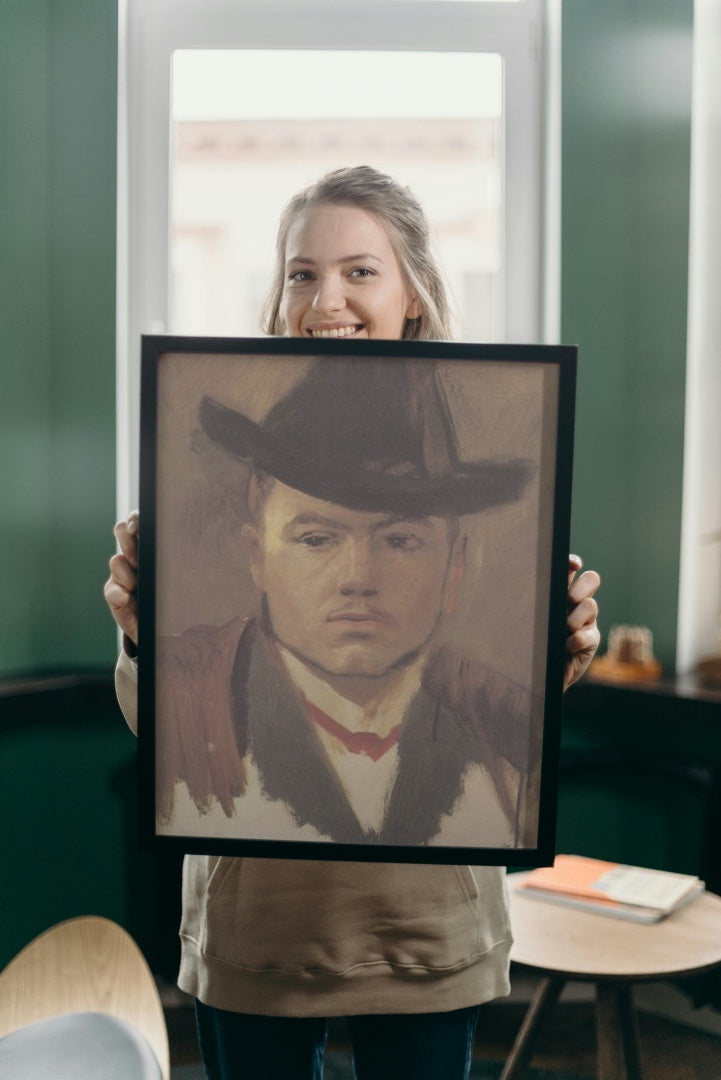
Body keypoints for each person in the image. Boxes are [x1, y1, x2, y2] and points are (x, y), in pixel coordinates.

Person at [105, 166, 601, 1080]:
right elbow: (168, 736)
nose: (325, 297)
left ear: (412, 291)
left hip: (426, 929)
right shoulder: (197, 557)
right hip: (259, 930)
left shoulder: (491, 446)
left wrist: (557, 650)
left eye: (359, 271)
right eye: (301, 273)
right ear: (256, 543)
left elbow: (515, 721)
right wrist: (141, 633)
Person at [153, 355, 538, 850]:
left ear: (454, 567)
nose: (358, 579)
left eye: (399, 540)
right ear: (258, 557)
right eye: (316, 539)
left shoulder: (505, 727)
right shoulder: (183, 693)